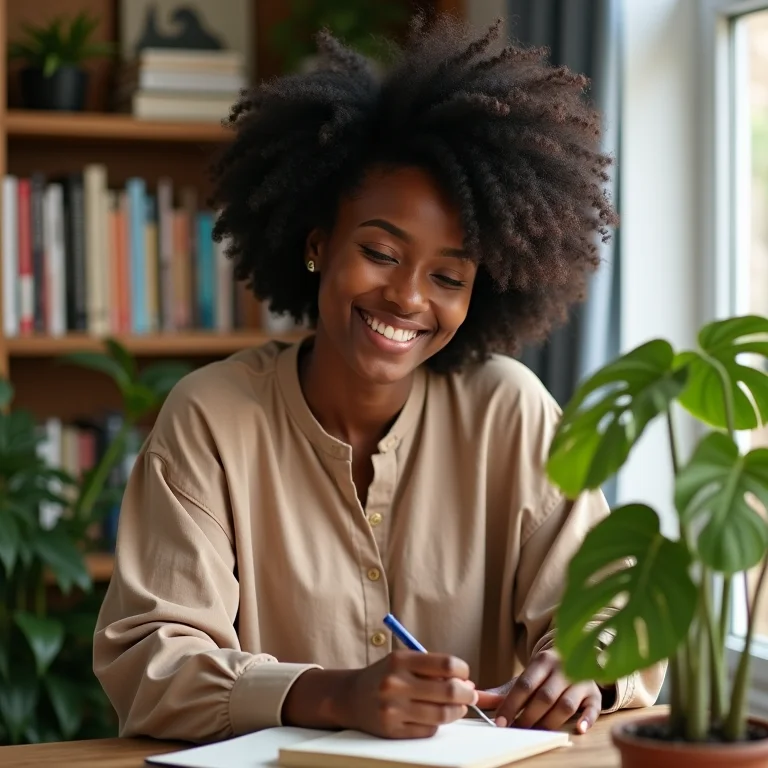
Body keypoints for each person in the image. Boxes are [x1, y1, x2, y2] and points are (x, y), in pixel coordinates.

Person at [93, 14, 664, 744]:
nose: (408, 298)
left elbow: (617, 612)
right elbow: (150, 661)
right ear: (316, 243)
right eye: (380, 251)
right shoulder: (213, 419)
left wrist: (582, 667)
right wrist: (331, 696)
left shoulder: (510, 412)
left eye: (449, 275)